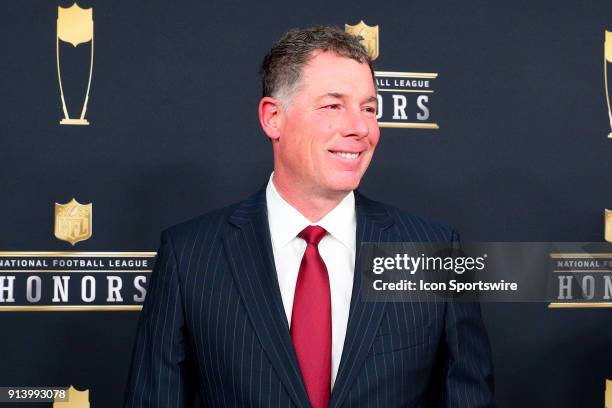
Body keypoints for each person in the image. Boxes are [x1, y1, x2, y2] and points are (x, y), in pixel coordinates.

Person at [124, 25, 495, 408]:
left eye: (369, 108)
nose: (359, 128)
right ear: (273, 118)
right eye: (333, 106)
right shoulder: (190, 256)